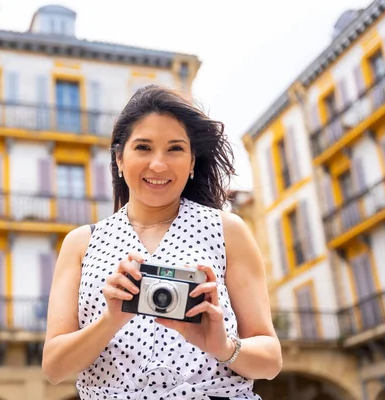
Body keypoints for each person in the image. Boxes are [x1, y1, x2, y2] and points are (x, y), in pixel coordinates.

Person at [42, 85, 282, 399]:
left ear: (193, 161)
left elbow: (270, 361)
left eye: (175, 149)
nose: (158, 164)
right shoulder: (81, 243)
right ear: (119, 158)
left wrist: (223, 346)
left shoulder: (227, 230)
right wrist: (110, 320)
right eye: (143, 147)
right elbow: (54, 368)